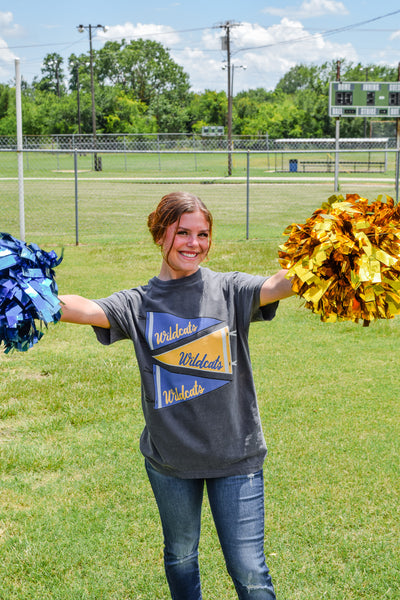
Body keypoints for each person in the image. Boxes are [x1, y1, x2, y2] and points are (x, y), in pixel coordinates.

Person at [59, 191, 294, 600]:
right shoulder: (139, 303)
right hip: (170, 462)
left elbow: (278, 283)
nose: (194, 243)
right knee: (181, 556)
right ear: (159, 234)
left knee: (250, 571)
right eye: (182, 232)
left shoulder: (229, 289)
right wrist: (29, 298)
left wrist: (328, 261)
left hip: (235, 456)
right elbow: (84, 308)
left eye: (202, 234)